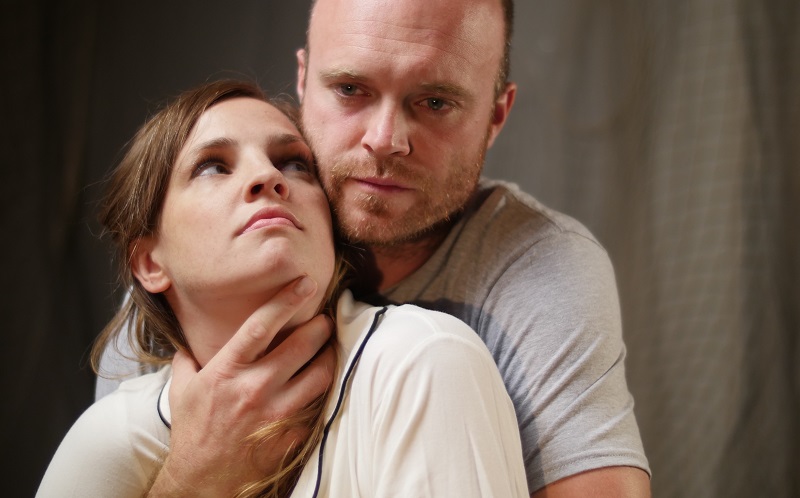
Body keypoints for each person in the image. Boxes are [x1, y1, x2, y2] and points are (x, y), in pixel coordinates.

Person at [99, 0, 653, 496]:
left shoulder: (539, 274)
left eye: (435, 102)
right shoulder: (190, 280)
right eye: (350, 91)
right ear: (303, 80)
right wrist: (195, 479)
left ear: (495, 118)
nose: (385, 139)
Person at [38, 80, 528, 498]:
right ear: (149, 262)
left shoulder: (422, 361)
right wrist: (188, 484)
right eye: (213, 165)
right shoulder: (110, 439)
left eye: (294, 163)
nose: (268, 177)